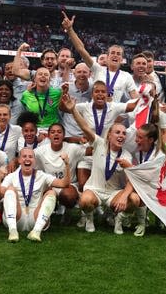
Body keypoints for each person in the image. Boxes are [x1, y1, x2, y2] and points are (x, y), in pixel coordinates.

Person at [63, 91, 137, 234]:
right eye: (117, 132)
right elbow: (85, 127)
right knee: (85, 200)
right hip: (95, 190)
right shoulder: (99, 143)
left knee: (134, 199)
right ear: (109, 134)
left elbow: (131, 181)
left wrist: (123, 195)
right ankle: (89, 218)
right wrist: (73, 110)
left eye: (123, 133)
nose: (121, 136)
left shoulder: (126, 155)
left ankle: (119, 219)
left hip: (113, 193)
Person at [0, 147, 71, 242]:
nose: (27, 159)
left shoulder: (41, 175)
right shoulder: (11, 176)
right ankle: (12, 231)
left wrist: (67, 165)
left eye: (30, 156)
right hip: (16, 218)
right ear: (19, 160)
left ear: (34, 161)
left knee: (51, 192)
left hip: (36, 218)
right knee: (10, 189)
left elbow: (65, 184)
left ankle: (36, 232)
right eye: (24, 156)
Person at [62, 12, 138, 102]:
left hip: (113, 114)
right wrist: (70, 30)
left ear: (122, 60)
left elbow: (136, 99)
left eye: (118, 54)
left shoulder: (126, 76)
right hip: (93, 113)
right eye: (112, 53)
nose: (115, 55)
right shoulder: (98, 69)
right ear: (108, 57)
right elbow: (81, 49)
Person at [121, 123, 166, 237]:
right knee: (136, 192)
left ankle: (159, 216)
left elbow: (148, 175)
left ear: (150, 140)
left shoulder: (160, 154)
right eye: (136, 136)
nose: (136, 140)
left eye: (140, 137)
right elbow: (137, 176)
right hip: (141, 188)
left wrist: (129, 166)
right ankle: (139, 221)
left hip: (160, 192)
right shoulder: (134, 150)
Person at [34, 123, 85, 223]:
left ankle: (68, 210)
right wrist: (14, 161)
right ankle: (45, 216)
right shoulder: (40, 151)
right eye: (52, 132)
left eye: (59, 132)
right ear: (48, 136)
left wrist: (79, 139)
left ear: (63, 135)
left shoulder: (73, 148)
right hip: (50, 184)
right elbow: (26, 155)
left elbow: (90, 151)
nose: (56, 134)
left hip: (68, 185)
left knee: (69, 197)